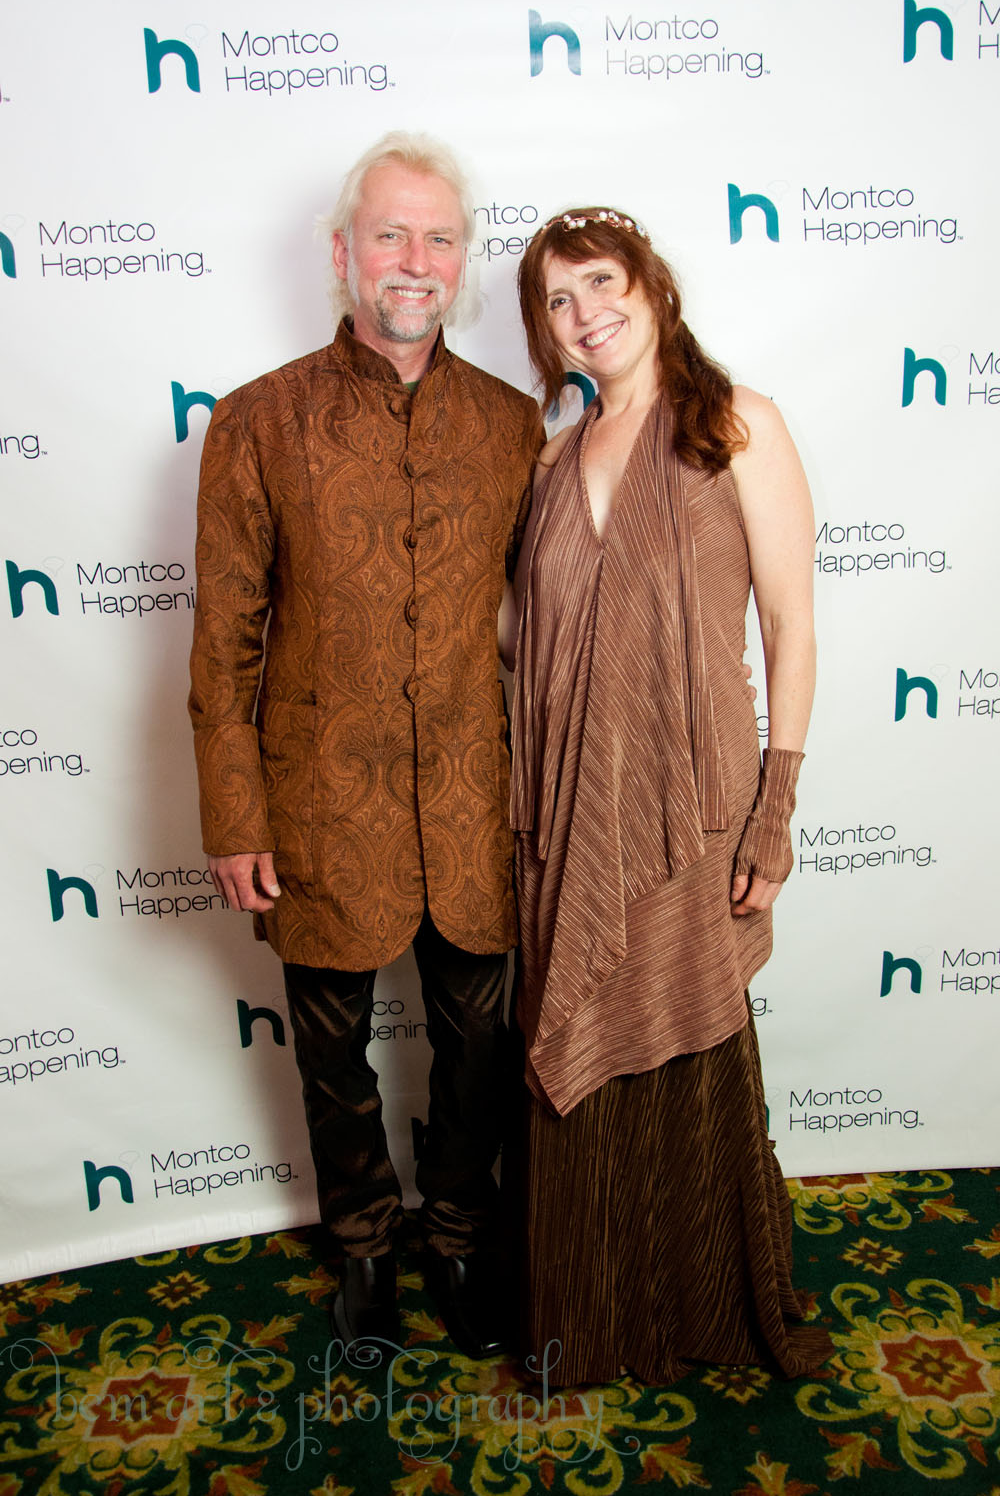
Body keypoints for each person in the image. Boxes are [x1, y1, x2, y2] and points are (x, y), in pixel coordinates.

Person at [188, 133, 543, 1358]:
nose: (415, 260)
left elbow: (547, 621)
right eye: (391, 234)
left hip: (473, 799)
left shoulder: (512, 426)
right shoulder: (256, 420)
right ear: (343, 254)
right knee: (333, 1051)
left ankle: (459, 1236)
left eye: (439, 238)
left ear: (462, 262)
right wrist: (234, 817)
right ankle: (362, 1249)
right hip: (318, 804)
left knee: (479, 1044)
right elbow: (224, 644)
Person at [502, 207, 831, 1385]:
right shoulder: (550, 461)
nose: (584, 312)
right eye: (557, 299)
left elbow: (789, 626)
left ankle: (700, 1312)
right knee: (578, 1047)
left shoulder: (737, 423)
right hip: (565, 809)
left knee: (688, 1045)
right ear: (543, 331)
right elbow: (520, 638)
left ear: (652, 287)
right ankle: (590, 1319)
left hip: (693, 806)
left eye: (601, 282)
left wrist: (775, 810)